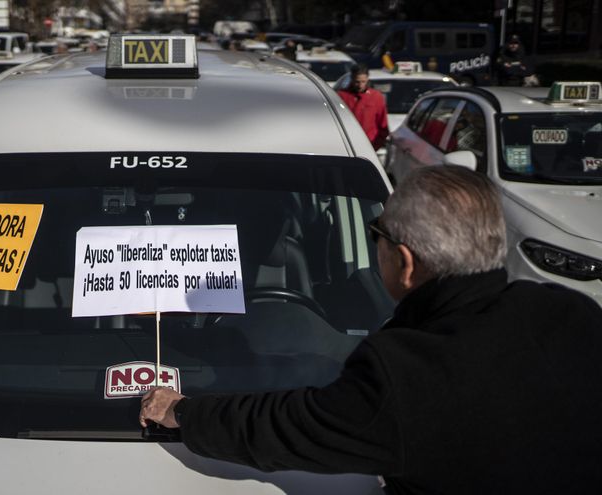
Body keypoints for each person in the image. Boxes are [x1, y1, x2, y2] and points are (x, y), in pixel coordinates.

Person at [140, 166, 602, 494]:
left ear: (404, 262)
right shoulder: (572, 313)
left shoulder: (405, 374)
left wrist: (182, 411)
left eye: (377, 233)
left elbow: (288, 427)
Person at [337, 64, 389, 150]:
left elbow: (383, 125)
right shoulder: (341, 96)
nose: (360, 85)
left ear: (367, 79)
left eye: (363, 82)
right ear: (352, 79)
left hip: (369, 145)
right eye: (357, 82)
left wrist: (375, 146)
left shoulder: (376, 97)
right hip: (346, 145)